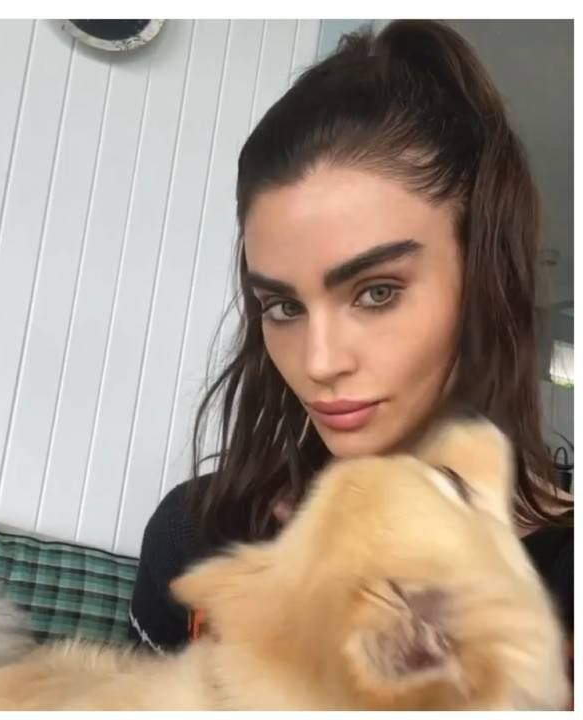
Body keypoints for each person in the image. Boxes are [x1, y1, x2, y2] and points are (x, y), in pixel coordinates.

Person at [128, 19, 572, 668]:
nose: (319, 362)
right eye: (283, 306)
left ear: (485, 280)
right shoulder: (196, 534)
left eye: (377, 292)